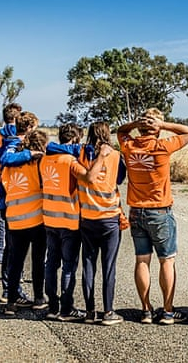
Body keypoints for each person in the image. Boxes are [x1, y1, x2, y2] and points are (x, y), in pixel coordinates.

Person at [117, 108, 188, 325]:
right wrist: (162, 125)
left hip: (136, 211)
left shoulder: (129, 146)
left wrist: (136, 123)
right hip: (160, 211)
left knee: (142, 260)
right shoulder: (162, 146)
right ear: (156, 129)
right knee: (167, 261)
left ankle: (145, 310)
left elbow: (121, 131)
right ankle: (168, 311)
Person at [41, 123, 103, 322]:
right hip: (69, 219)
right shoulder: (70, 161)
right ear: (76, 139)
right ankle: (66, 309)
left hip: (49, 218)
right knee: (68, 265)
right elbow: (88, 178)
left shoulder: (44, 160)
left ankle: (52, 306)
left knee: (51, 262)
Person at [78, 121, 127, 326]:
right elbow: (120, 179)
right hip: (109, 218)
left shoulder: (79, 154)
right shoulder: (115, 156)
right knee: (109, 267)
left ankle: (89, 311)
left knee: (88, 265)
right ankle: (108, 312)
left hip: (87, 218)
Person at [0, 124, 48, 315]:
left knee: (15, 262)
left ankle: (11, 301)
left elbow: (3, 188)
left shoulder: (10, 166)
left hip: (14, 218)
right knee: (38, 260)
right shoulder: (39, 164)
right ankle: (38, 298)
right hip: (36, 219)